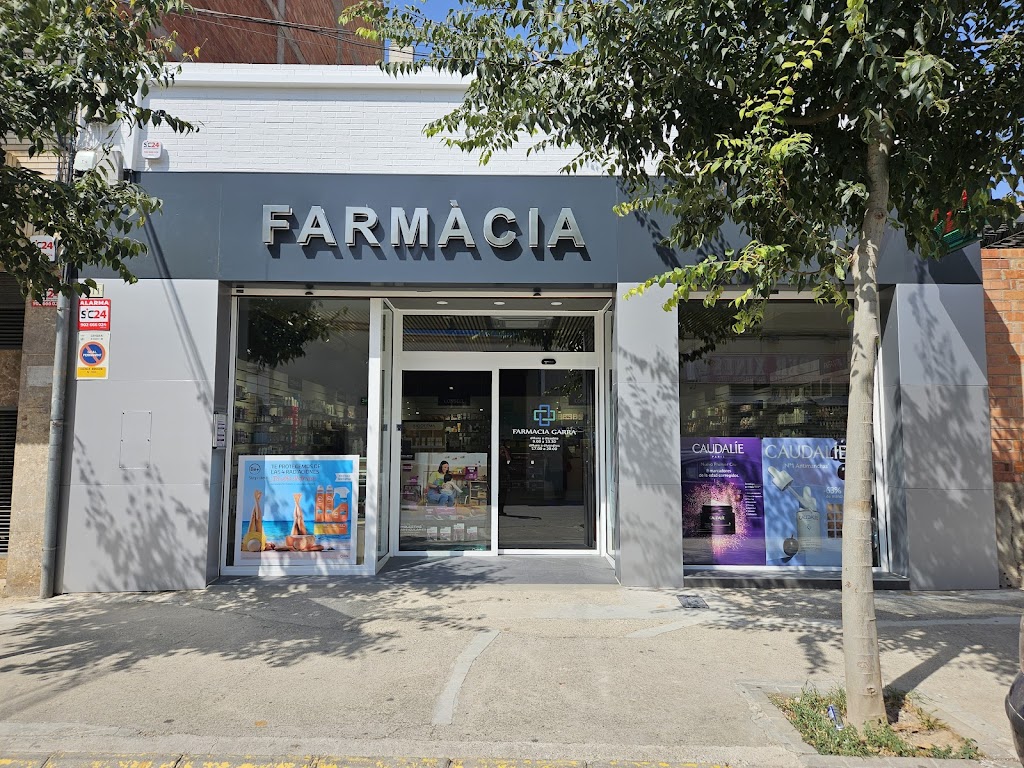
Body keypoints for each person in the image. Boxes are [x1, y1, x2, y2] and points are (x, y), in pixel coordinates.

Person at [498, 445, 511, 516]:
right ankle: (498, 509)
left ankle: (501, 510)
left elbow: (509, 460)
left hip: (503, 476)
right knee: (499, 494)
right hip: (498, 476)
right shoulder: (496, 457)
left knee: (503, 494)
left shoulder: (505, 457)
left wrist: (505, 451)